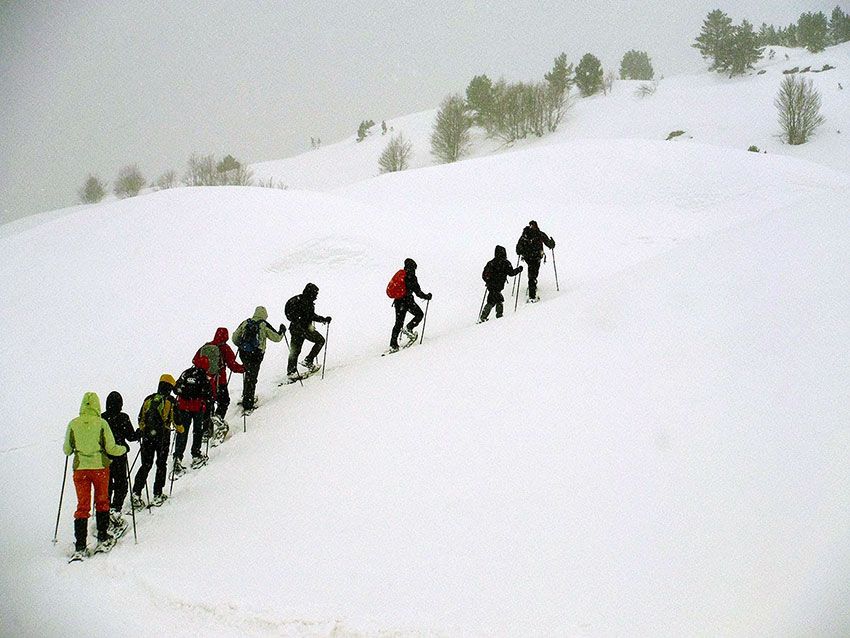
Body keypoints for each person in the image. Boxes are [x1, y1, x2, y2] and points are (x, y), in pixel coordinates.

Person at [63, 392, 127, 560]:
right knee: (102, 502)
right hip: (99, 468)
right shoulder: (101, 423)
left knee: (82, 506)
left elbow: (67, 450)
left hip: (80, 470)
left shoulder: (73, 424)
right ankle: (103, 536)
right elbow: (111, 448)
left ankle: (80, 545)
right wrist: (124, 449)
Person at [131, 374, 180, 508]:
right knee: (161, 463)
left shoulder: (149, 399)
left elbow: (140, 417)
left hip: (147, 435)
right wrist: (180, 429)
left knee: (146, 465)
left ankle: (136, 493)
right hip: (163, 436)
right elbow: (176, 421)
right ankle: (157, 493)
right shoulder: (170, 400)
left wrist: (144, 430)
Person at [232, 306, 285, 411]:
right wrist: (282, 331)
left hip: (244, 353)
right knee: (252, 377)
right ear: (264, 315)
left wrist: (242, 345)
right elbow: (277, 338)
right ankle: (248, 403)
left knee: (248, 373)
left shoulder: (246, 322)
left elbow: (234, 338)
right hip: (256, 355)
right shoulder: (263, 324)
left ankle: (246, 396)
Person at [100, 391, 140, 525]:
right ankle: (115, 509)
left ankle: (104, 511)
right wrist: (140, 433)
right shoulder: (123, 417)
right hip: (119, 455)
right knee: (121, 483)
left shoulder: (102, 419)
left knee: (107, 485)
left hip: (103, 457)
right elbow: (131, 437)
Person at [193, 327, 245, 421]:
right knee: (224, 401)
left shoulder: (206, 346)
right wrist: (243, 369)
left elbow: (195, 360)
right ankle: (217, 418)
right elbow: (232, 365)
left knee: (208, 404)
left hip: (204, 381)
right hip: (220, 381)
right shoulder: (225, 348)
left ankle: (206, 427)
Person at [173, 358, 214, 472]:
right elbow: (208, 395)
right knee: (197, 431)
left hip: (183, 408)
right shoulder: (204, 377)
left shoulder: (186, 373)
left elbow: (176, 389)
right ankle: (195, 455)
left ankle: (178, 456)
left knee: (182, 432)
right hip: (197, 408)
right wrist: (209, 410)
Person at [285, 283, 331, 382]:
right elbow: (311, 316)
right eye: (315, 294)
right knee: (320, 340)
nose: (316, 297)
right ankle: (308, 361)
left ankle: (291, 372)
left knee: (295, 350)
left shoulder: (298, 299)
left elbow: (305, 315)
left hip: (294, 328)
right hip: (304, 328)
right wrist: (324, 319)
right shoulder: (306, 302)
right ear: (311, 293)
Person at [389, 258, 432, 352]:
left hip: (398, 302)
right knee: (419, 314)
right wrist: (427, 296)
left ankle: (393, 345)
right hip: (407, 302)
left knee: (398, 323)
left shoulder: (401, 275)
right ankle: (409, 328)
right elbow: (418, 292)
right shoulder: (411, 277)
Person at [479, 245, 523, 322]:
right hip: (498, 286)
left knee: (493, 300)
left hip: (491, 285)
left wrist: (488, 281)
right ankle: (497, 316)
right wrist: (518, 270)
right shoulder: (506, 263)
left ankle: (487, 316)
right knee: (497, 300)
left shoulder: (491, 263)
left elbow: (484, 275)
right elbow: (511, 273)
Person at [515, 220, 555, 302]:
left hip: (527, 257)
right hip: (536, 257)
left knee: (531, 271)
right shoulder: (539, 233)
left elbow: (518, 248)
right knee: (533, 274)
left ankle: (532, 285)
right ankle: (532, 295)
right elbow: (549, 244)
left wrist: (520, 251)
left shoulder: (525, 235)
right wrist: (552, 243)